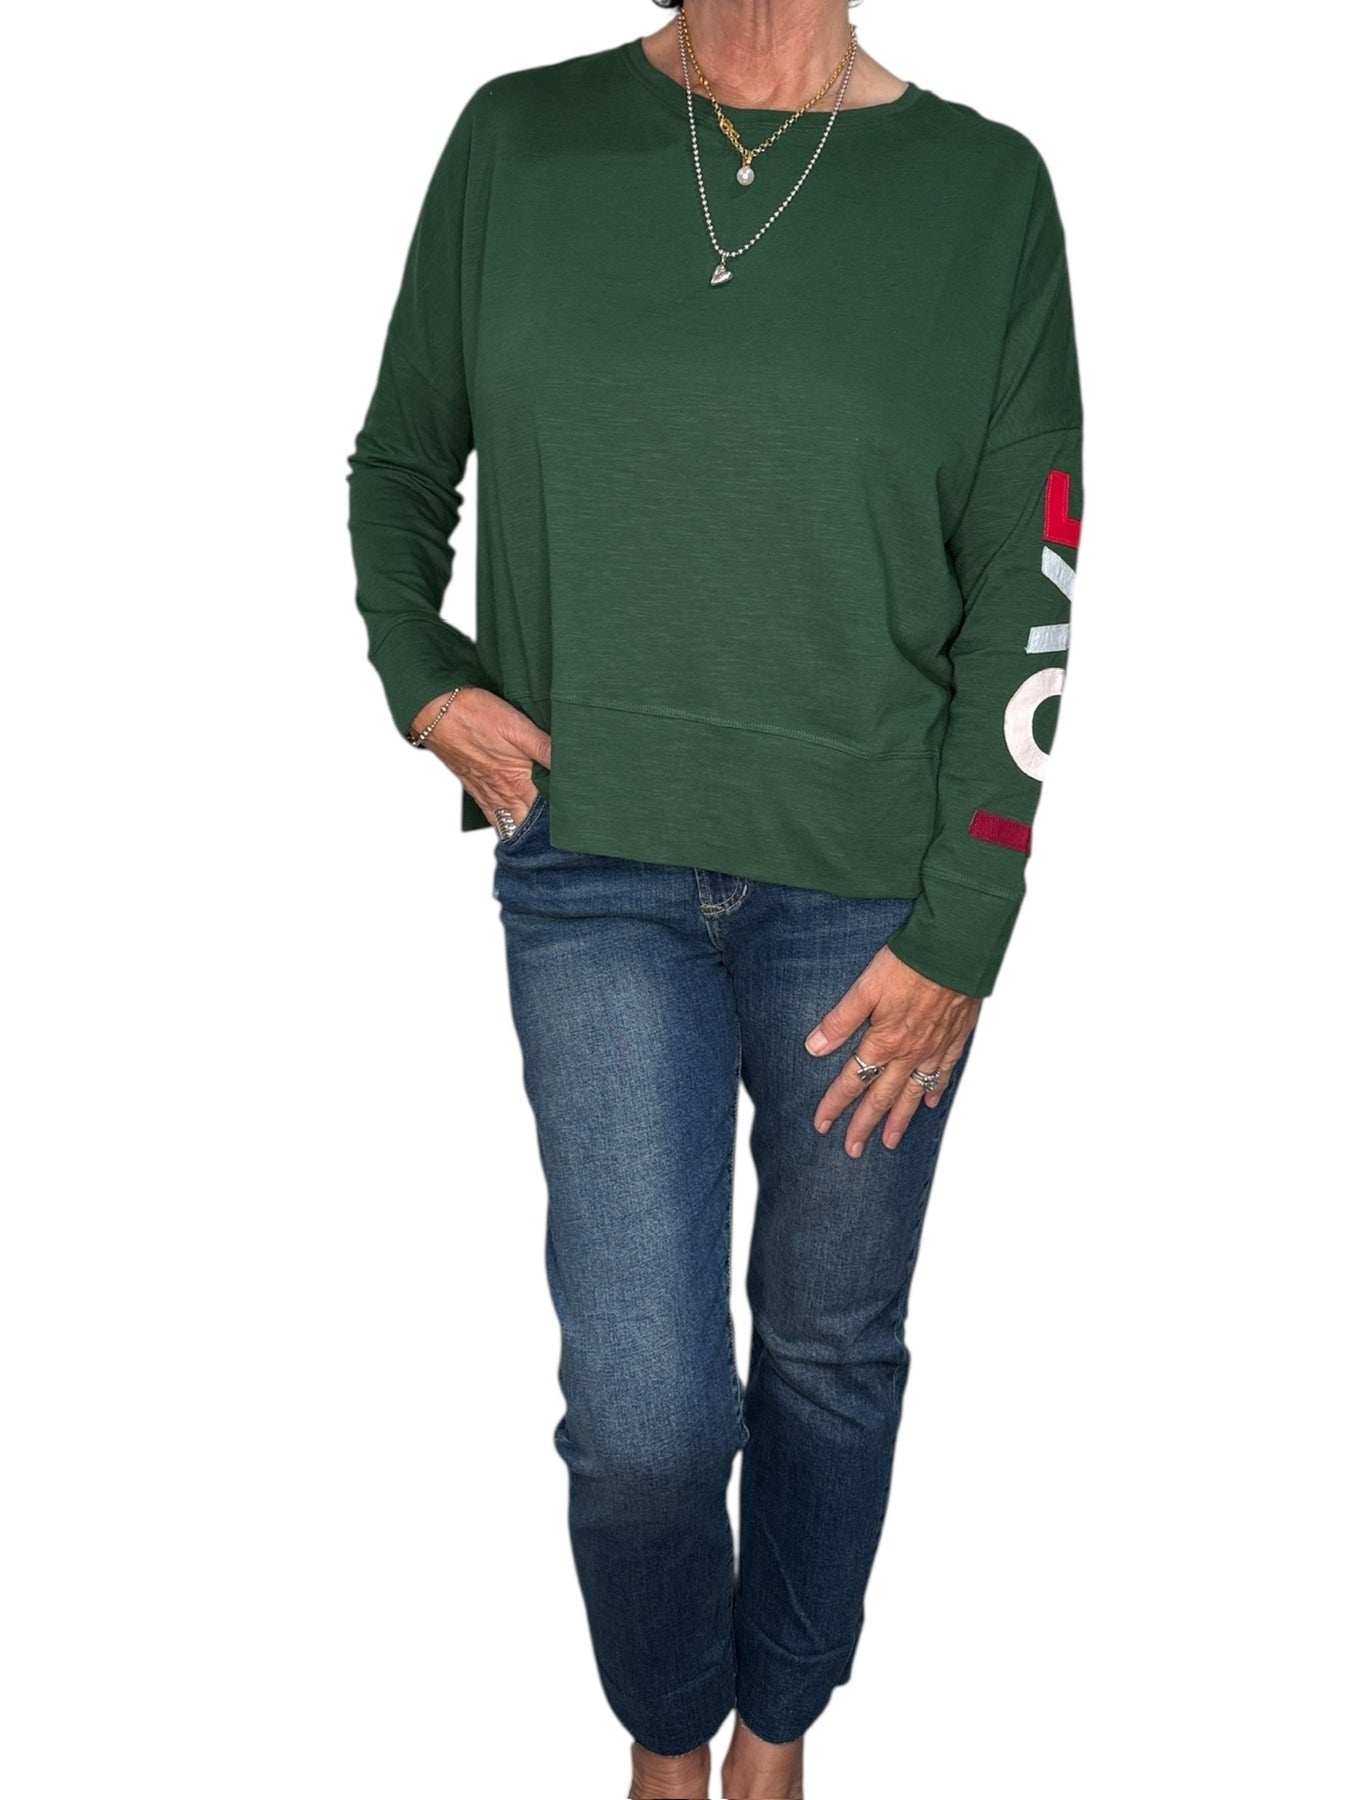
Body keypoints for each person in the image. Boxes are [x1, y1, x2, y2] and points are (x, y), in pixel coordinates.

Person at [345, 2, 1083, 1793]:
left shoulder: (983, 189)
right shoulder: (518, 141)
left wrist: (963, 928)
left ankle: (777, 1725)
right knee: (642, 1416)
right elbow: (399, 464)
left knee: (828, 1351)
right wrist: (424, 678)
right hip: (592, 867)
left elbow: (1034, 576)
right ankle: (666, 1726)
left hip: (872, 907)